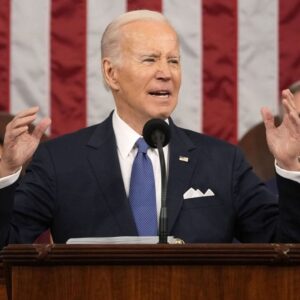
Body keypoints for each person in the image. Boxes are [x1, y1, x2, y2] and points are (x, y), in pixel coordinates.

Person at [1, 10, 300, 248]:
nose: (165, 73)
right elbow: (6, 250)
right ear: (111, 73)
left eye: (173, 61)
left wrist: (289, 168)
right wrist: (7, 173)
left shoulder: (223, 162)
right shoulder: (60, 162)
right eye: (150, 60)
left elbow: (283, 249)